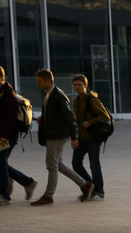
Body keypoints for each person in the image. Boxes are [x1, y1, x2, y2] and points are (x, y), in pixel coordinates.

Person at [31, 69, 91, 205]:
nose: (37, 84)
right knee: (57, 165)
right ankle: (84, 185)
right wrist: (43, 118)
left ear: (47, 81)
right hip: (53, 133)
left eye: (39, 81)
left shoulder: (58, 95)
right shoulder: (49, 94)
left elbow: (69, 116)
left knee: (51, 165)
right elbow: (55, 114)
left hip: (57, 135)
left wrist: (74, 136)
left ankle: (48, 195)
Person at [0, 63, 38, 206]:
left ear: (2, 76)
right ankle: (28, 182)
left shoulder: (8, 92)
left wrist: (5, 135)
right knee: (0, 163)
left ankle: (4, 195)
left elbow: (11, 116)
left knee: (0, 163)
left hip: (7, 135)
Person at [71, 74, 110, 200]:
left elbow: (105, 116)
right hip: (81, 137)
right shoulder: (76, 101)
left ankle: (99, 191)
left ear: (85, 86)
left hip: (93, 137)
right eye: (75, 85)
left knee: (94, 165)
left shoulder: (92, 99)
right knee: (76, 164)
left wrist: (90, 122)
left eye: (80, 85)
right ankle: (90, 186)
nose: (77, 87)